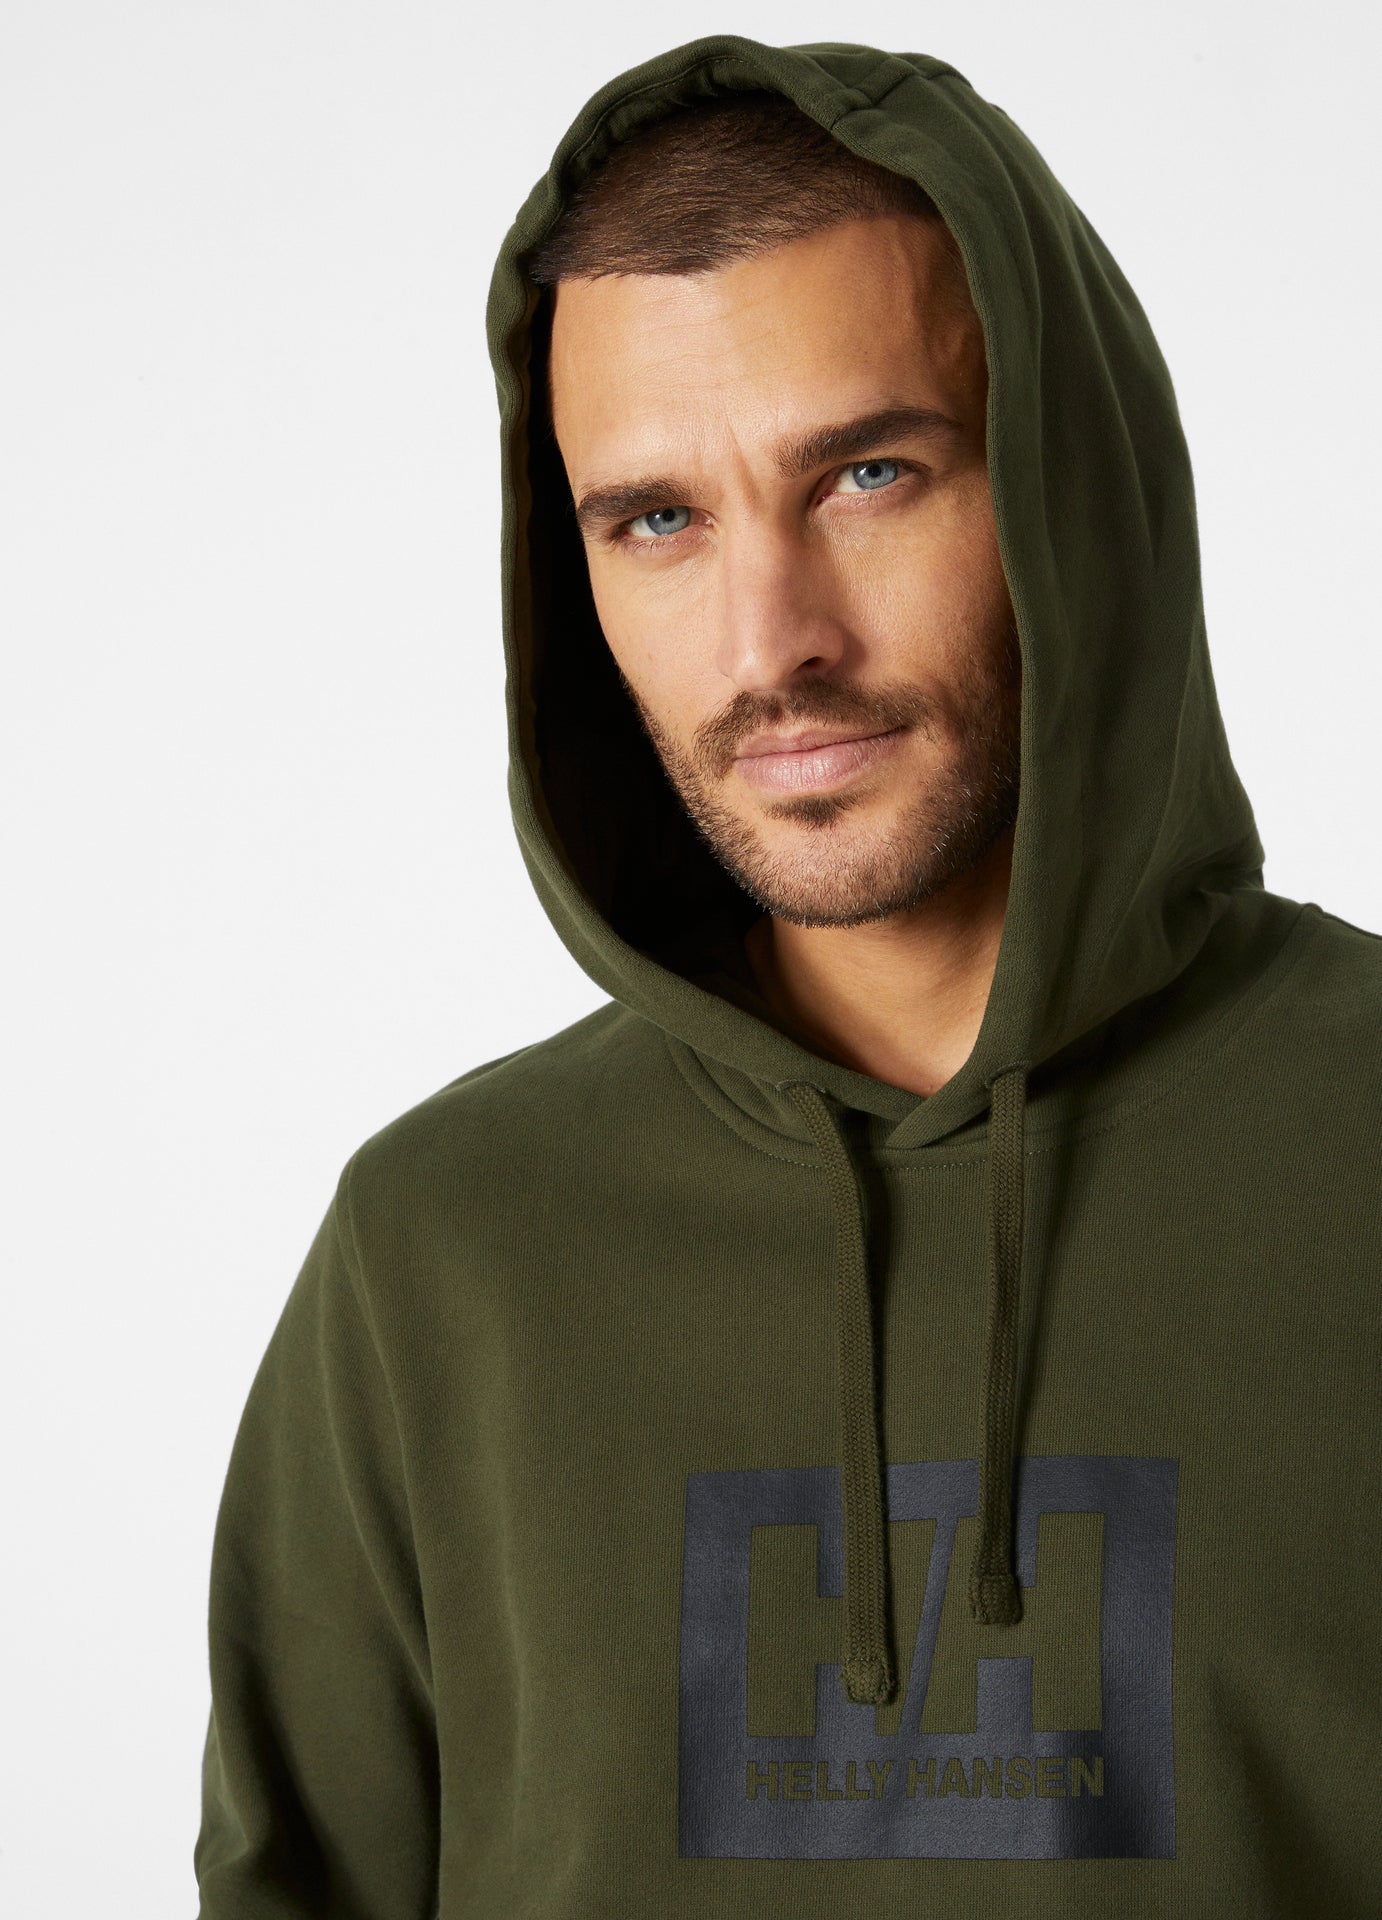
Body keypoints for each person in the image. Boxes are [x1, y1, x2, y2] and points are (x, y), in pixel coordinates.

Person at [193, 33, 1382, 1917]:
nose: (771, 643)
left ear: (1071, 489)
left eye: (868, 474)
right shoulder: (441, 1254)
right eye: (656, 519)